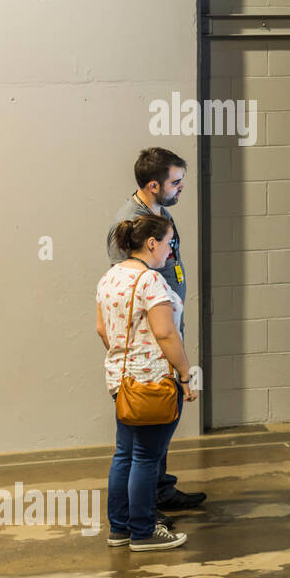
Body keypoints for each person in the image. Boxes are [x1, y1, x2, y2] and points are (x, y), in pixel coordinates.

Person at [107, 147, 206, 512]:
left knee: (154, 435)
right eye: (175, 182)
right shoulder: (131, 224)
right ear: (152, 185)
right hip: (149, 354)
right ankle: (143, 518)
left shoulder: (159, 212)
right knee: (139, 448)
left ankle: (158, 494)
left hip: (164, 339)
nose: (181, 189)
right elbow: (124, 298)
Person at [97, 215, 198, 551]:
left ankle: (120, 528)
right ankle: (143, 530)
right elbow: (166, 333)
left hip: (122, 382)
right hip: (155, 382)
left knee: (125, 454)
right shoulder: (150, 281)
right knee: (146, 457)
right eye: (169, 243)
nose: (170, 252)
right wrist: (185, 375)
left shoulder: (110, 277)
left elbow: (102, 330)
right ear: (151, 243)